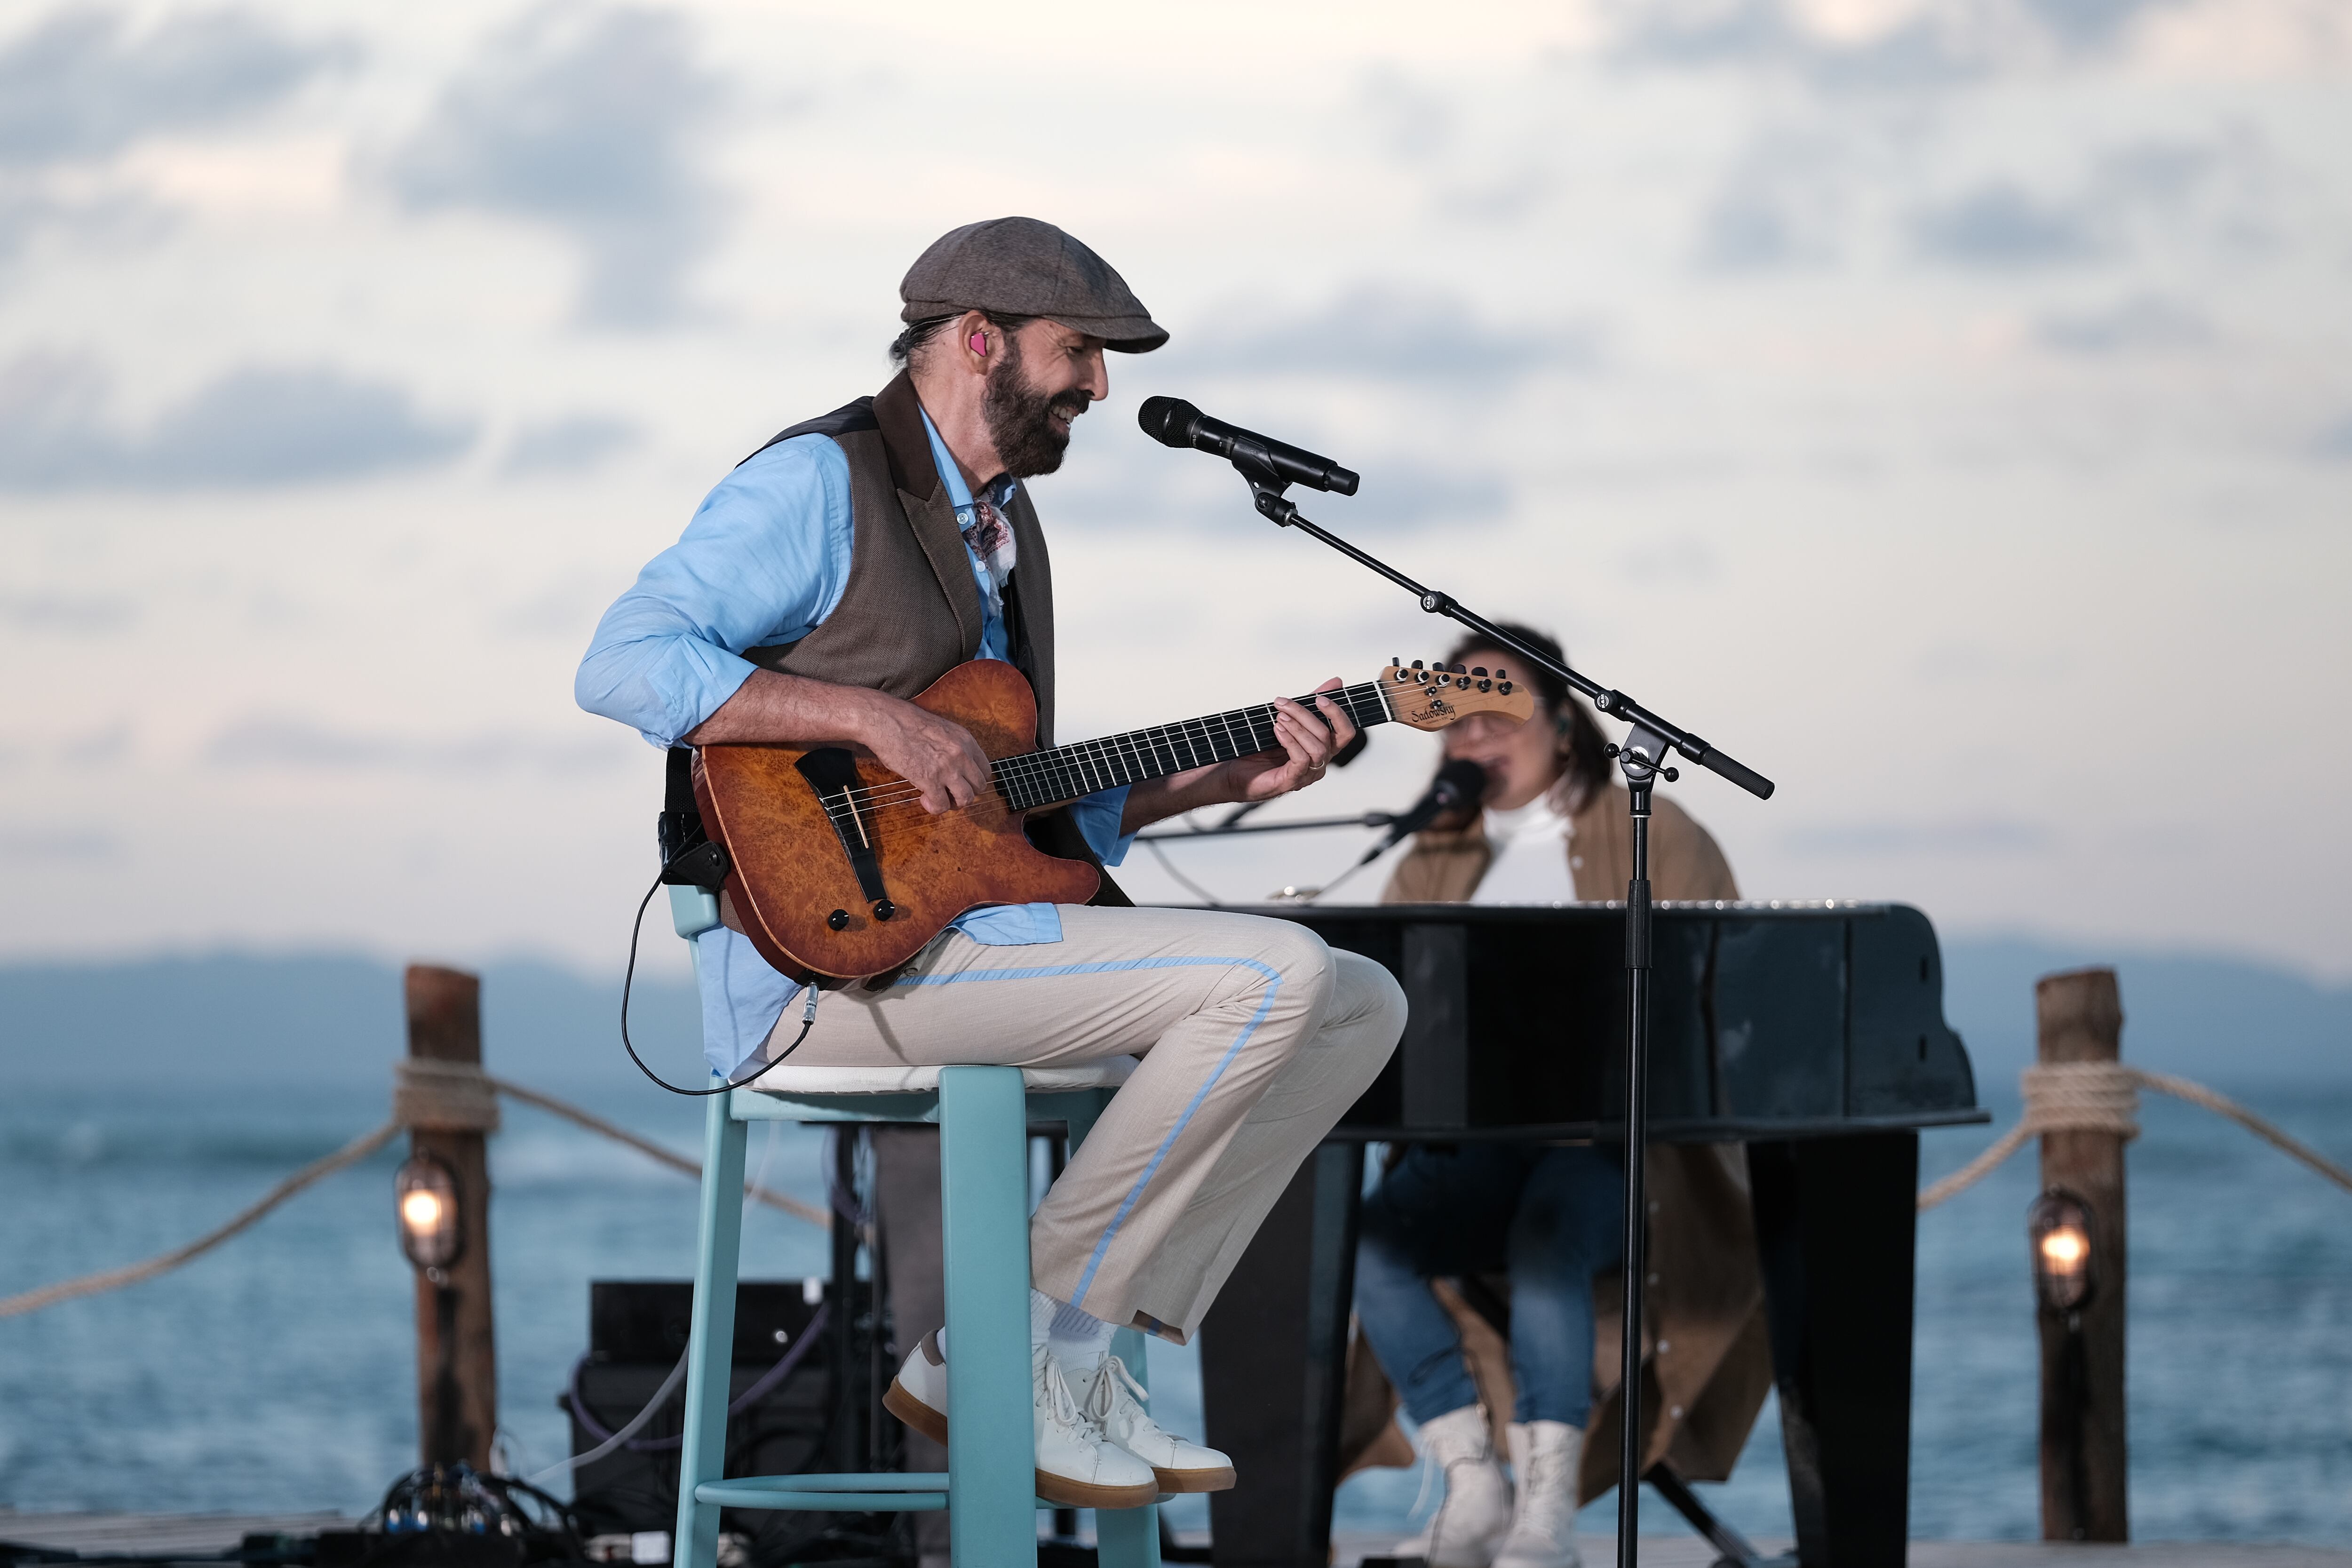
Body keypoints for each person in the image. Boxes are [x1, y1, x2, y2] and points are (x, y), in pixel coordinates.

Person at [574, 217, 1407, 1518]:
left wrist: (1231, 775)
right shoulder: (819, 481)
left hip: (975, 943)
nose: (1100, 385)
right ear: (979, 340)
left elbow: (1018, 807)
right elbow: (621, 661)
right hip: (821, 973)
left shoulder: (1005, 531)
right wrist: (867, 716)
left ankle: (1052, 1352)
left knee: (1361, 1000)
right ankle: (1025, 1351)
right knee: (1274, 970)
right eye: (1079, 350)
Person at [1351, 624, 1768, 1568]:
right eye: (1457, 721)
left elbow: (1726, 998)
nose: (1480, 736)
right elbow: (1376, 999)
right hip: (1469, 1150)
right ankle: (1471, 1475)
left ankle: (1547, 1509)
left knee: (1548, 1240)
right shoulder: (1434, 850)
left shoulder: (1652, 829)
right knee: (1370, 1238)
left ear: (1566, 724)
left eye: (1504, 710)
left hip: (1613, 1155)